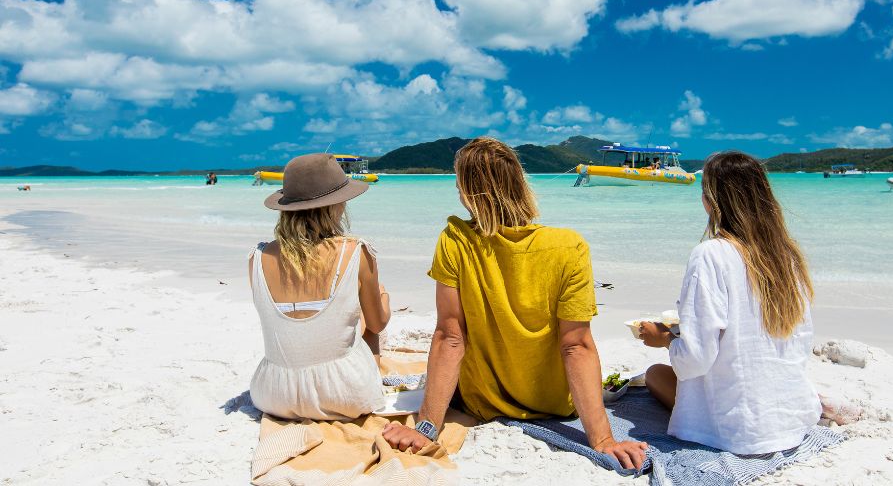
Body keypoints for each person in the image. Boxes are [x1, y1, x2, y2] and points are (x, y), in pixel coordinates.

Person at [383, 137, 647, 470]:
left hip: (483, 405)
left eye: (459, 184)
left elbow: (450, 337)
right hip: (555, 404)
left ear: (468, 193)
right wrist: (603, 440)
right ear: (520, 184)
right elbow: (576, 346)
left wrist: (426, 428)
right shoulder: (569, 247)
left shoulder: (456, 240)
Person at [639, 151, 820, 455]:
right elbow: (800, 341)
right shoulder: (787, 256)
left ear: (710, 201)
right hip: (792, 414)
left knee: (655, 374)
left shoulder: (710, 255)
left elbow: (696, 359)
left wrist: (666, 340)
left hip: (741, 428)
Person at [248, 153, 391, 420]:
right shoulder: (356, 251)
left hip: (273, 395)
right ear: (336, 205)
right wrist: (384, 297)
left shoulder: (257, 257)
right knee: (370, 325)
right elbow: (378, 323)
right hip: (345, 396)